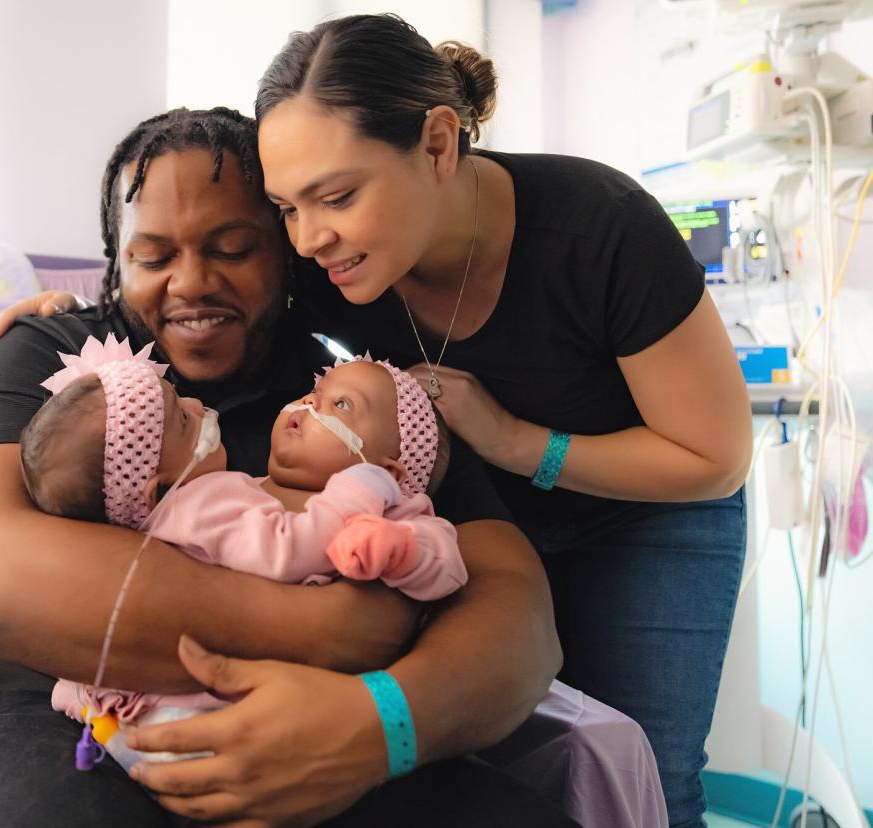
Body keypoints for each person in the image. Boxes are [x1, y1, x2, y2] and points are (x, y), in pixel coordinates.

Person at [0, 107, 572, 827]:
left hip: (331, 724)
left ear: (286, 252)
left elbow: (520, 618)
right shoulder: (56, 359)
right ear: (116, 264)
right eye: (153, 257)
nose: (191, 283)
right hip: (70, 725)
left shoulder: (352, 396)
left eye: (233, 247)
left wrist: (378, 727)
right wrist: (323, 631)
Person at [252, 15, 751, 828]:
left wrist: (512, 440)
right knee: (509, 770)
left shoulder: (600, 227)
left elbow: (714, 456)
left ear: (440, 143)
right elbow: (209, 295)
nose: (310, 238)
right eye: (288, 207)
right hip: (495, 521)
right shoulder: (323, 262)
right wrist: (64, 320)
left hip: (650, 518)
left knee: (646, 773)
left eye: (338, 196)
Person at [26, 341, 467, 772]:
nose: (307, 404)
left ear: (388, 471)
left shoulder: (391, 509)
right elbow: (284, 547)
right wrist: (355, 492)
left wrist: (403, 550)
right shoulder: (227, 495)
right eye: (313, 392)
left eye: (342, 405)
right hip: (194, 707)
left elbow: (448, 566)